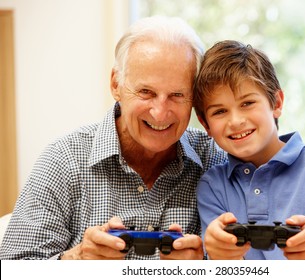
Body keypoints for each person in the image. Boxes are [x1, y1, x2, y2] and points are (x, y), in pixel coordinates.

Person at [0, 16, 226, 260]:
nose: (160, 112)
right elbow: (12, 267)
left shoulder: (216, 159)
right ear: (116, 83)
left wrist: (205, 268)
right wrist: (75, 262)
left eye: (177, 94)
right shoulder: (63, 160)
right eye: (146, 92)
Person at [193, 40, 305, 260]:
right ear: (205, 124)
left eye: (247, 103)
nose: (235, 121)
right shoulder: (212, 185)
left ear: (277, 103)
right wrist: (221, 255)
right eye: (219, 111)